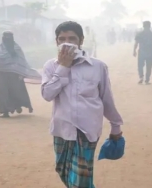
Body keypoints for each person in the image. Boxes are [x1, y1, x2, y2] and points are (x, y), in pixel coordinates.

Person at [41, 21, 123, 188]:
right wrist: (63, 67)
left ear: (81, 41)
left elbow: (106, 98)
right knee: (63, 171)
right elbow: (47, 94)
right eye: (62, 38)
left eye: (72, 38)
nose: (67, 42)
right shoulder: (51, 66)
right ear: (56, 42)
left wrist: (116, 127)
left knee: (80, 181)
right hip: (62, 129)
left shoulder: (97, 66)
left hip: (87, 130)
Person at [0, 31, 38, 117]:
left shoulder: (17, 48)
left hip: (14, 74)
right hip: (2, 74)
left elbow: (22, 61)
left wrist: (21, 73)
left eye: (9, 37)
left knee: (16, 91)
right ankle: (5, 111)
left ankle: (17, 106)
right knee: (3, 92)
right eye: (5, 37)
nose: (7, 39)